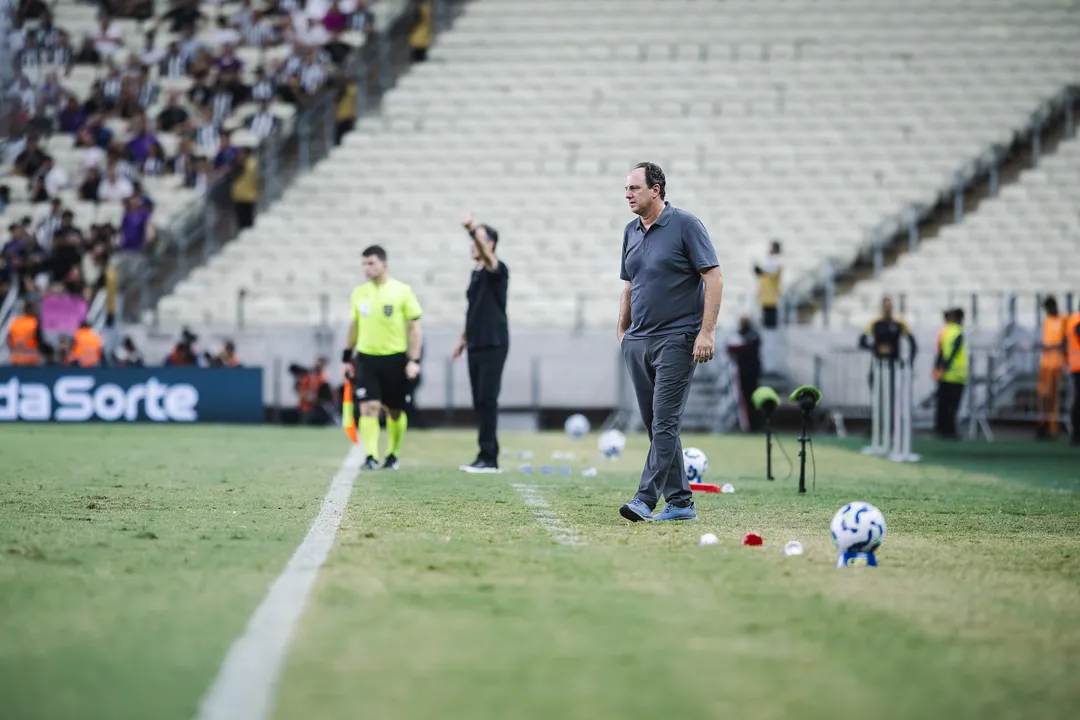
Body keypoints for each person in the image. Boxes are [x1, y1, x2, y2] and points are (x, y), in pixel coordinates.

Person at [617, 162, 723, 523]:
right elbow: (629, 285)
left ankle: (645, 499)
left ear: (656, 189)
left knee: (664, 422)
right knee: (655, 424)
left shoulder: (686, 225)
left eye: (634, 188)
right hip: (639, 341)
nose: (628, 194)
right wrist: (623, 332)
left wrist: (706, 332)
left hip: (676, 340)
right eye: (626, 189)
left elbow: (714, 276)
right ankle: (680, 502)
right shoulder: (631, 231)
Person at [343, 245, 423, 470]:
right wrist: (346, 357)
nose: (366, 268)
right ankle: (370, 456)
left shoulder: (402, 291)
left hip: (395, 358)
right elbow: (353, 326)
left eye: (371, 263)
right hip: (367, 358)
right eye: (364, 264)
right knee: (368, 407)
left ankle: (393, 454)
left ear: (384, 265)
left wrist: (414, 361)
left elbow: (415, 327)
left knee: (394, 411)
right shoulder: (360, 293)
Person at [453, 212, 510, 473]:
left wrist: (471, 228)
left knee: (488, 399)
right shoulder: (475, 273)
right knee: (479, 400)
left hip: (493, 343)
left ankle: (490, 458)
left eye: (477, 240)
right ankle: (484, 454)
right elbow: (473, 310)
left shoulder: (497, 269)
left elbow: (488, 259)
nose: (472, 244)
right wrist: (462, 340)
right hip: (475, 343)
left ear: (490, 244)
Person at [933, 308, 967, 440]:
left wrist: (938, 368)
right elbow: (955, 351)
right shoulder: (957, 331)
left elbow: (940, 351)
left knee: (943, 404)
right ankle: (950, 431)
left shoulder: (944, 331)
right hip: (956, 375)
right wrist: (947, 365)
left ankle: (941, 429)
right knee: (953, 405)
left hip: (945, 374)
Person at [1036, 295, 1067, 440]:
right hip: (1045, 364)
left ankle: (1052, 428)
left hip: (1056, 365)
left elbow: (1063, 344)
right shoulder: (1047, 321)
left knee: (1053, 398)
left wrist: (1048, 347)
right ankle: (1042, 425)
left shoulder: (1063, 320)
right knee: (1043, 397)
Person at [726, 313, 762, 432]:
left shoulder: (752, 336)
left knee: (751, 399)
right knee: (745, 399)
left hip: (751, 373)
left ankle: (754, 424)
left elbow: (741, 348)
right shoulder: (744, 335)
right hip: (744, 372)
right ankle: (748, 424)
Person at [6, 301, 49, 365]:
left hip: (15, 358)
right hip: (31, 358)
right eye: (34, 309)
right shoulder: (34, 322)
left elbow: (9, 339)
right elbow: (40, 340)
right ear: (29, 309)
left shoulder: (14, 322)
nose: (36, 311)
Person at [753, 240, 782, 329]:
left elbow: (770, 270)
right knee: (765, 325)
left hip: (771, 296)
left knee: (771, 326)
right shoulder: (770, 260)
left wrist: (760, 268)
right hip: (765, 295)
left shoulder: (777, 261)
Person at [1066, 303, 1080, 446]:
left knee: (1077, 400)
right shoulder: (1077, 320)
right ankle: (1076, 433)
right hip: (1078, 367)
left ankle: (1075, 433)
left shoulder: (1072, 320)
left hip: (1074, 366)